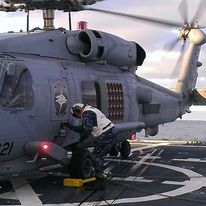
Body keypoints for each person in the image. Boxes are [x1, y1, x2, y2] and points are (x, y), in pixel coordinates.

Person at [68, 103, 117, 190]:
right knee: (99, 156)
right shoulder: (91, 110)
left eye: (77, 114)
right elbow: (84, 128)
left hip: (105, 133)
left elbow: (87, 129)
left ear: (77, 110)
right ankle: (100, 180)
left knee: (96, 157)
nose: (79, 117)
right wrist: (70, 127)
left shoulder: (86, 113)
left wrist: (82, 141)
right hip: (109, 131)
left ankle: (100, 183)